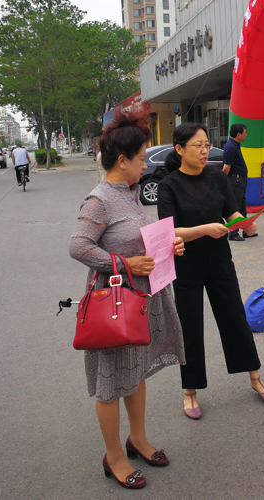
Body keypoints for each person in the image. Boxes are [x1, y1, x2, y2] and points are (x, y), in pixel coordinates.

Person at [69, 109, 186, 490]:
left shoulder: (132, 194)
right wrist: (124, 263)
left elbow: (137, 238)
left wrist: (168, 246)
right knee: (110, 384)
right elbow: (78, 247)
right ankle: (114, 456)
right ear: (122, 161)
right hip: (114, 305)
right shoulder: (99, 200)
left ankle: (138, 439)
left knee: (135, 372)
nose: (144, 165)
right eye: (140, 159)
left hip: (140, 299)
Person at [157, 122, 264, 421]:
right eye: (197, 145)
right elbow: (169, 231)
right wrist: (205, 229)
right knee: (190, 326)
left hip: (220, 260)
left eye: (207, 145)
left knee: (235, 318)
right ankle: (190, 390)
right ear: (180, 149)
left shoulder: (217, 177)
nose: (204, 151)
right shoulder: (168, 185)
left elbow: (230, 212)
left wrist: (244, 223)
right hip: (186, 264)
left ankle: (254, 375)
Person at [222, 123, 255, 241]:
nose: (246, 135)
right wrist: (223, 182)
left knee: (242, 205)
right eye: (245, 133)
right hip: (235, 180)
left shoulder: (236, 145)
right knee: (235, 206)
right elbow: (226, 168)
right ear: (238, 134)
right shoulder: (231, 147)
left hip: (240, 179)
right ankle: (233, 233)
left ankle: (246, 229)